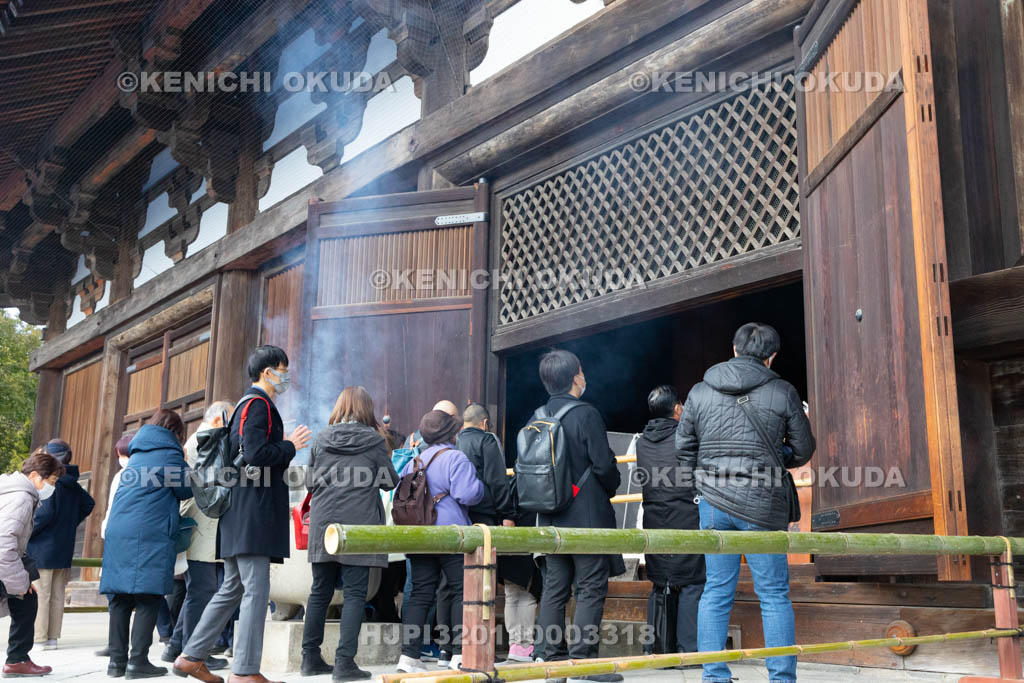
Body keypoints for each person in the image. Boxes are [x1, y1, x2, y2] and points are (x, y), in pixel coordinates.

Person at [675, 322, 815, 683]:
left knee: (716, 591)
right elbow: (803, 449)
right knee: (772, 594)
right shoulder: (782, 391)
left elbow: (683, 449)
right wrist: (772, 458)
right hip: (763, 505)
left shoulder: (700, 391)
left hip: (713, 503)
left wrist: (703, 485)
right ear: (771, 357)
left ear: (734, 349)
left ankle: (714, 676)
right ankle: (781, 678)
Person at [175, 345, 311, 683]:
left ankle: (191, 656)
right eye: (283, 369)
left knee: (233, 587)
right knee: (255, 590)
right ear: (268, 372)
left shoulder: (244, 406)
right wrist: (291, 444)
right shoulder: (258, 404)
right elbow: (255, 454)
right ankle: (246, 671)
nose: (286, 377)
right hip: (254, 510)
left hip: (240, 509)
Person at [533, 349, 624, 683]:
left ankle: (550, 659)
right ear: (575, 378)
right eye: (582, 372)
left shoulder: (536, 415)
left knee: (554, 590)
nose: (584, 377)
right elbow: (603, 465)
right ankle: (583, 663)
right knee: (589, 587)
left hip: (549, 518)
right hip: (586, 517)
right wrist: (612, 485)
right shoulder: (585, 414)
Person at [301, 386, 398, 681]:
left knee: (319, 592)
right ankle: (344, 663)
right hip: (358, 526)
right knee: (355, 594)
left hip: (324, 525)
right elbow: (389, 481)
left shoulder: (320, 438)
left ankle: (310, 659)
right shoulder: (374, 441)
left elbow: (309, 483)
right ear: (366, 409)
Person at [100, 410, 194, 679]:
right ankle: (138, 662)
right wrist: (185, 461)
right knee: (148, 596)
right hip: (148, 531)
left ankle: (116, 663)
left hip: (120, 529)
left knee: (119, 598)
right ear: (176, 433)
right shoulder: (169, 453)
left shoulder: (138, 454)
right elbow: (187, 489)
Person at [397, 410, 483, 674]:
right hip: (450, 535)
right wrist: (482, 486)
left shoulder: (414, 461)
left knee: (421, 593)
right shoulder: (455, 457)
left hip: (420, 534)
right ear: (451, 433)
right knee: (461, 591)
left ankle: (408, 659)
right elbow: (467, 494)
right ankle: (459, 654)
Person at [455, 404, 539, 663]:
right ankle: (485, 649)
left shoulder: (454, 443)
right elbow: (497, 480)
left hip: (458, 520)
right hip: (486, 522)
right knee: (488, 585)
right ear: (485, 423)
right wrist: (507, 515)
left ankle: (457, 649)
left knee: (463, 585)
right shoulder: (487, 441)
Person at [163, 401, 234, 671]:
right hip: (202, 522)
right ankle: (194, 651)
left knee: (199, 588)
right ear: (219, 420)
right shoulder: (206, 439)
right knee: (203, 589)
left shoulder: (197, 439)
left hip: (200, 521)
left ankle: (177, 646)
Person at [635, 386, 704, 659]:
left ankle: (656, 649)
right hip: (686, 515)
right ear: (677, 409)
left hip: (653, 517)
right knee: (692, 581)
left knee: (660, 581)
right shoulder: (684, 436)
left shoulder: (641, 441)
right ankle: (689, 651)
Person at [26, 439, 95, 651]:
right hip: (63, 547)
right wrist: (69, 523)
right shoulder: (72, 481)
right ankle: (52, 638)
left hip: (42, 548)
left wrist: (27, 532)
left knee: (41, 595)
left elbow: (44, 514)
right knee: (56, 595)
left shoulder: (50, 481)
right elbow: (88, 504)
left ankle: (38, 639)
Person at [0, 449, 64, 677]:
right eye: (52, 481)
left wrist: (22, 580)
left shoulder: (11, 490)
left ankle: (17, 660)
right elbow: (4, 542)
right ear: (36, 476)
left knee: (27, 598)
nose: (52, 487)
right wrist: (18, 582)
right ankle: (17, 659)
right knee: (25, 597)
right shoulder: (22, 497)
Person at [95, 433, 134, 659]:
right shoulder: (126, 474)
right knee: (123, 597)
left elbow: (113, 509)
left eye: (121, 453)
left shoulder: (125, 475)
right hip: (122, 536)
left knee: (118, 597)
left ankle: (117, 646)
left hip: (118, 537)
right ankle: (117, 645)